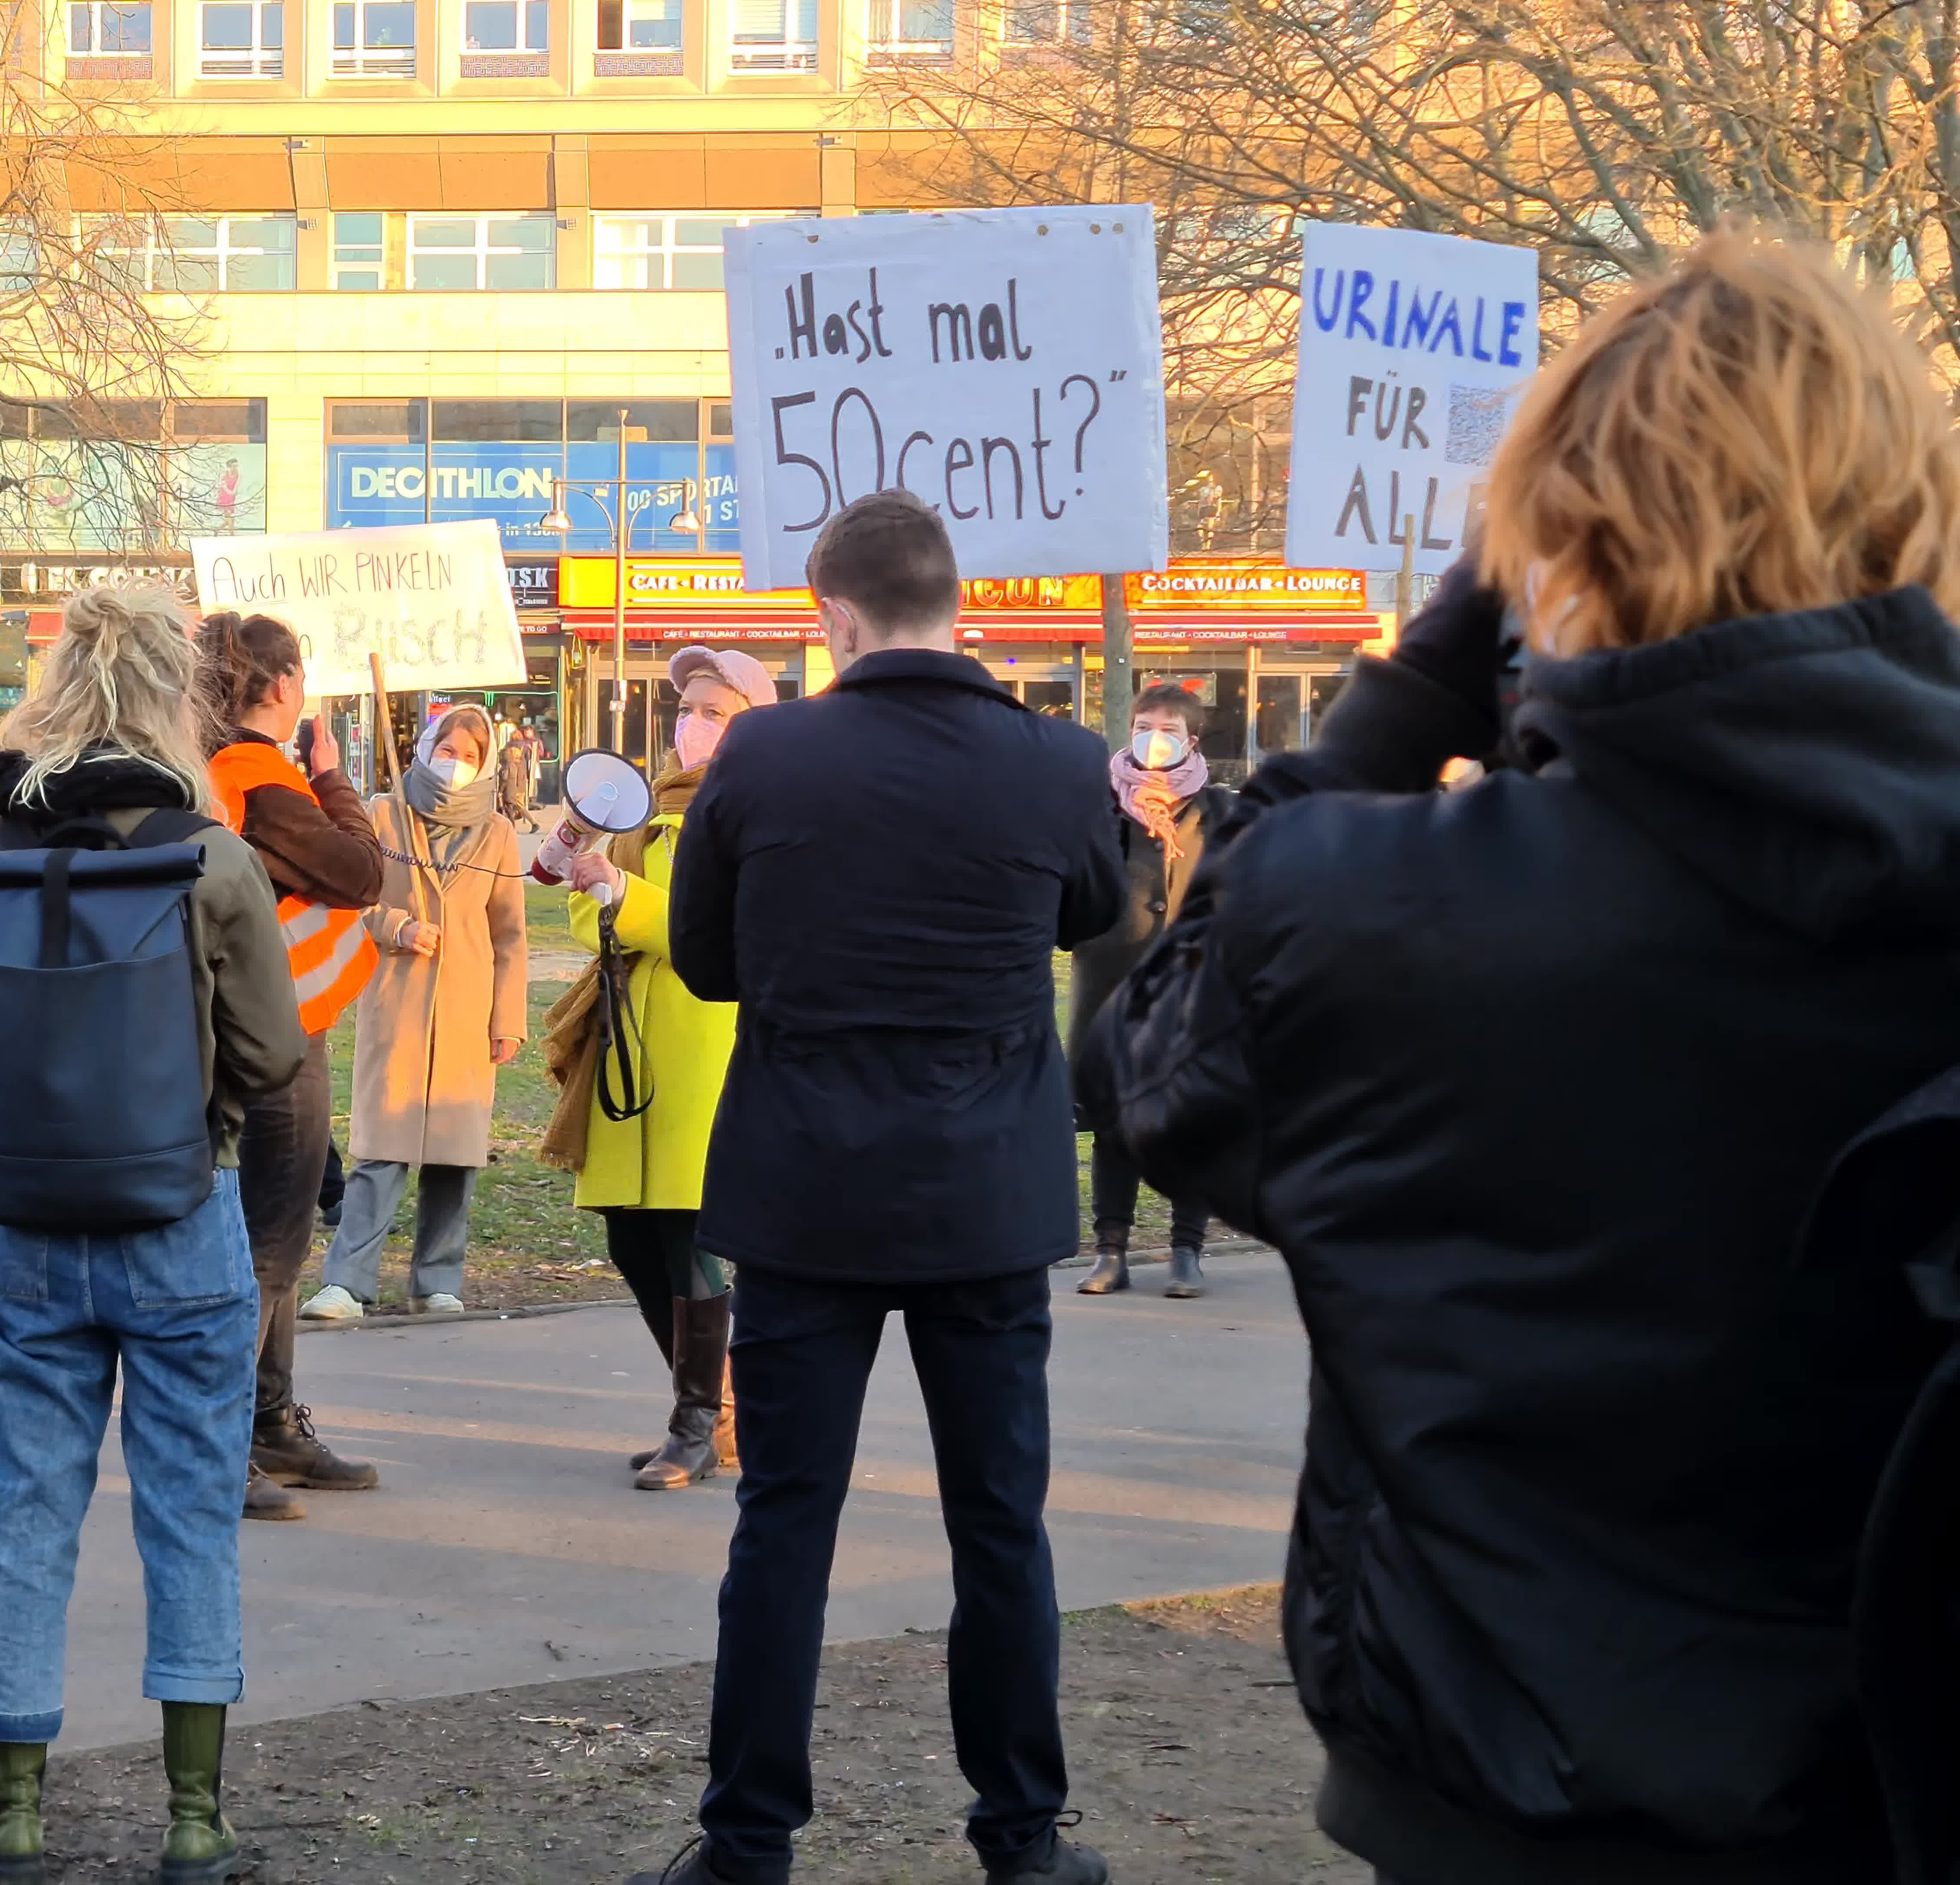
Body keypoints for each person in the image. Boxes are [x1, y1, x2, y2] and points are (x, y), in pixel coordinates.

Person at [1083, 233, 1960, 1885]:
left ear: (1558, 539)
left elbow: (1141, 1069)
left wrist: (1404, 699)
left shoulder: (1368, 912)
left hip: (1504, 1798)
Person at [632, 492, 1122, 1885]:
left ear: (835, 613)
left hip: (807, 1192)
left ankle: (746, 1846)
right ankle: (1023, 1840)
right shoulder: (1056, 760)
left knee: (786, 1518)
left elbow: (714, 961)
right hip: (985, 1196)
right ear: (953, 603)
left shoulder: (766, 758)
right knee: (999, 1523)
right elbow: (1098, 911)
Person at [0, 586, 305, 1885]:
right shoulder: (211, 854)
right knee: (190, 1519)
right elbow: (270, 1053)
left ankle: (12, 1814)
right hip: (176, 1218)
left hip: (16, 1227)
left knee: (28, 1520)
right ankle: (195, 1825)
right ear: (172, 702)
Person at [539, 645, 775, 1491]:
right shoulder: (645, 810)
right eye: (688, 707)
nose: (694, 724)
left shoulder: (754, 811)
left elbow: (729, 932)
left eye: (715, 711)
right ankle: (723, 1409)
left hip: (702, 1048)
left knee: (688, 1242)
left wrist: (626, 901)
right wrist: (595, 886)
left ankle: (698, 1424)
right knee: (633, 1239)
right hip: (629, 1048)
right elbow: (582, 914)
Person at [198, 610, 384, 1522]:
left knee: (275, 1239)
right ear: (281, 686)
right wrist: (336, 775)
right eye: (300, 674)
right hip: (274, 1034)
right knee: (269, 1247)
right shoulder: (260, 775)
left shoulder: (211, 769)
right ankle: (231, 1442)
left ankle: (269, 1425)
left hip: (240, 1024)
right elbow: (359, 871)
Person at [304, 704, 526, 1320]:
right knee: (381, 1153)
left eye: (470, 757)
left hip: (466, 1011)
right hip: (397, 1005)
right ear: (427, 748)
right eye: (447, 751)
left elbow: (509, 935)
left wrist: (508, 1020)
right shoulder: (383, 814)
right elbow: (348, 902)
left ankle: (437, 1282)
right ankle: (347, 1282)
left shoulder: (498, 833)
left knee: (455, 1159)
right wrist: (397, 927)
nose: (455, 766)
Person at [1068, 680, 1232, 1299]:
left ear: (1191, 741)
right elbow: (1074, 889)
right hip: (1110, 988)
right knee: (1114, 1125)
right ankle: (1110, 1251)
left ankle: (1186, 1252)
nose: (1153, 739)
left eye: (1168, 729)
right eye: (1145, 725)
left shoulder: (1218, 811)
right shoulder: (1099, 805)